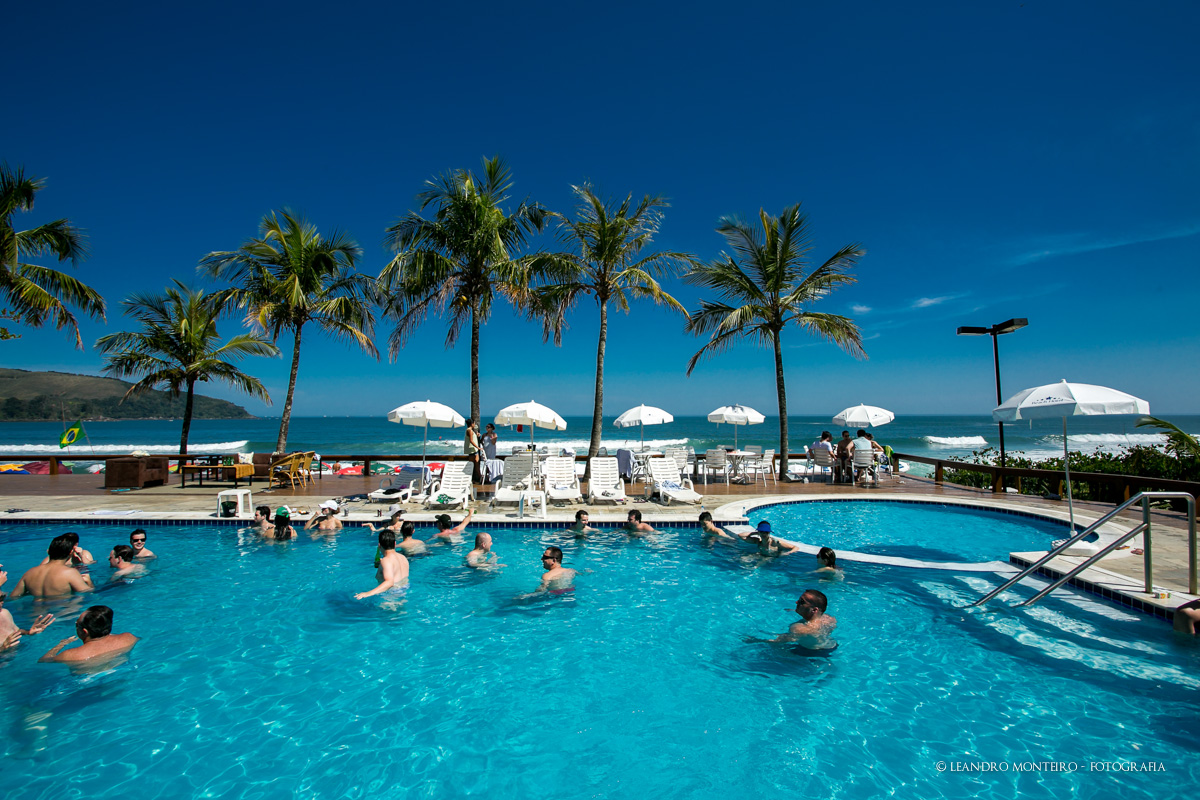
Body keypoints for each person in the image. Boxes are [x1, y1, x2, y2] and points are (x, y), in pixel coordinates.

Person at [38, 605, 139, 665]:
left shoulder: (70, 655)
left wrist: (60, 645)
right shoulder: (128, 638)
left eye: (76, 624)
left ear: (84, 632)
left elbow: (43, 661)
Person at [9, 535, 94, 598]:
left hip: (34, 615)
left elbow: (13, 597)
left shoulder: (30, 572)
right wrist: (89, 582)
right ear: (70, 552)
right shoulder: (69, 573)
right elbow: (87, 593)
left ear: (49, 551)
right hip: (62, 613)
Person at [0, 564, 54, 651]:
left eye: (2, 598)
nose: (1, 603)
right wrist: (2, 648)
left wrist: (28, 632)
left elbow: (16, 631)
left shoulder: (5, 613)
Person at [355, 530, 409, 599]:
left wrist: (367, 593)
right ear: (395, 544)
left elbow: (389, 582)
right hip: (404, 592)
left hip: (391, 595)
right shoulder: (403, 557)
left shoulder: (386, 561)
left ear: (379, 545)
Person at [464, 418, 482, 483]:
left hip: (472, 450)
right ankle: (479, 479)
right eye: (474, 423)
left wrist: (476, 435)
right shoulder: (470, 430)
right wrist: (478, 447)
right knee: (475, 465)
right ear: (472, 424)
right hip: (473, 450)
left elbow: (472, 438)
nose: (474, 424)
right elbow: (471, 440)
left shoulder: (470, 430)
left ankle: (476, 479)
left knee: (474, 465)